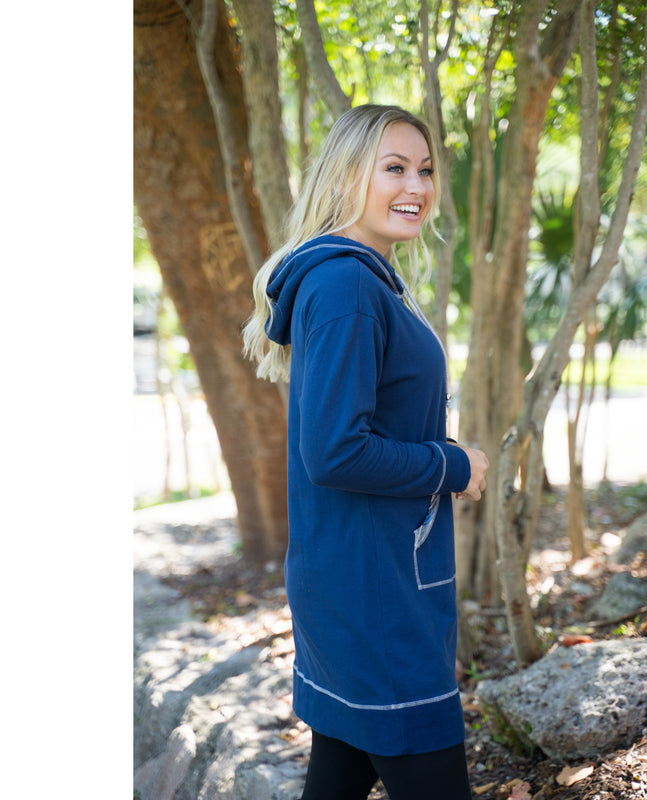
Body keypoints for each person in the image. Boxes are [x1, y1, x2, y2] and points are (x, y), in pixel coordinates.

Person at [242, 104, 489, 800]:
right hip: (376, 591)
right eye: (395, 168)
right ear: (348, 176)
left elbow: (362, 428)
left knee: (339, 775)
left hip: (361, 576)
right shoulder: (347, 284)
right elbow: (335, 452)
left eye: (425, 169)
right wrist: (454, 466)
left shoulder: (360, 278)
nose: (417, 186)